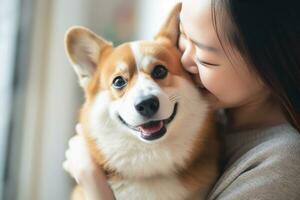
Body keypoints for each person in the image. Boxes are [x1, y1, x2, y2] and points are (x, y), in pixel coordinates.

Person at [63, 0, 300, 199]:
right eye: (184, 37)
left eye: (206, 58)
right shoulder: (212, 116)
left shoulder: (280, 168)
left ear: (267, 68)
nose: (183, 61)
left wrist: (95, 187)